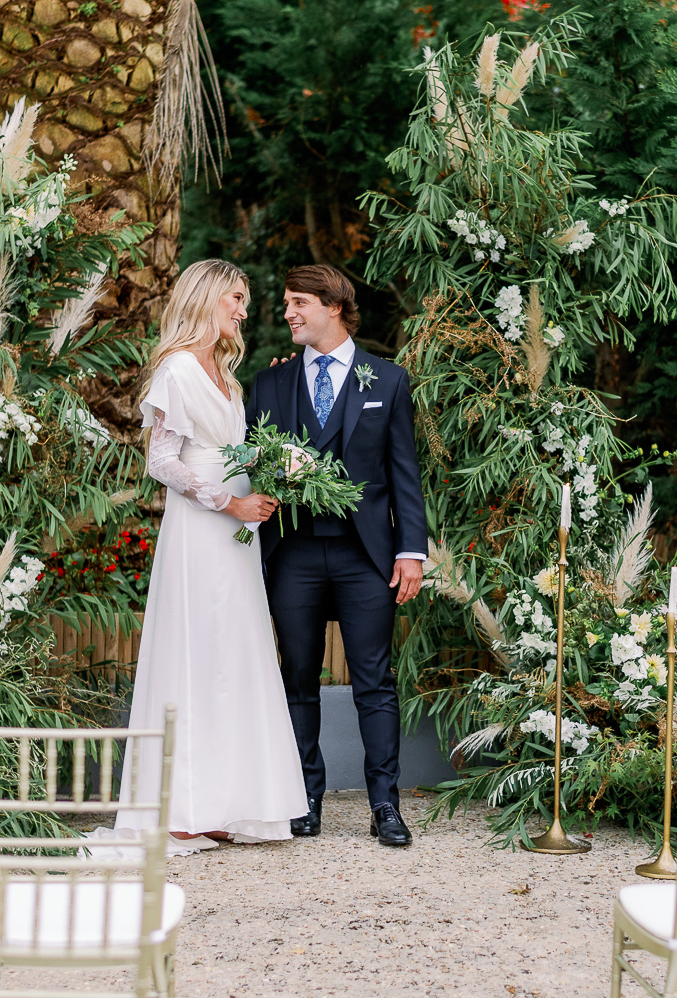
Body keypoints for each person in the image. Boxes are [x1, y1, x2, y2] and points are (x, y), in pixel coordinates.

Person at [115, 259, 308, 847]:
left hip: (238, 532)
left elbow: (234, 450)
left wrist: (275, 469)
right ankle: (179, 808)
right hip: (203, 528)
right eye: (236, 299)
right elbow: (162, 461)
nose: (244, 311)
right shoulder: (176, 370)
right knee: (194, 651)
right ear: (206, 298)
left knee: (232, 652)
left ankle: (223, 803)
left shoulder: (227, 375)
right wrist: (227, 502)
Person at [246, 265, 429, 848]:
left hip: (365, 556)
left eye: (299, 303)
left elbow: (405, 474)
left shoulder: (388, 380)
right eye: (287, 302)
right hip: (293, 552)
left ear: (334, 306)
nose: (289, 313)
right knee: (296, 677)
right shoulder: (270, 384)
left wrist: (411, 552)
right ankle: (305, 800)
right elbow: (251, 458)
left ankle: (385, 805)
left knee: (373, 682)